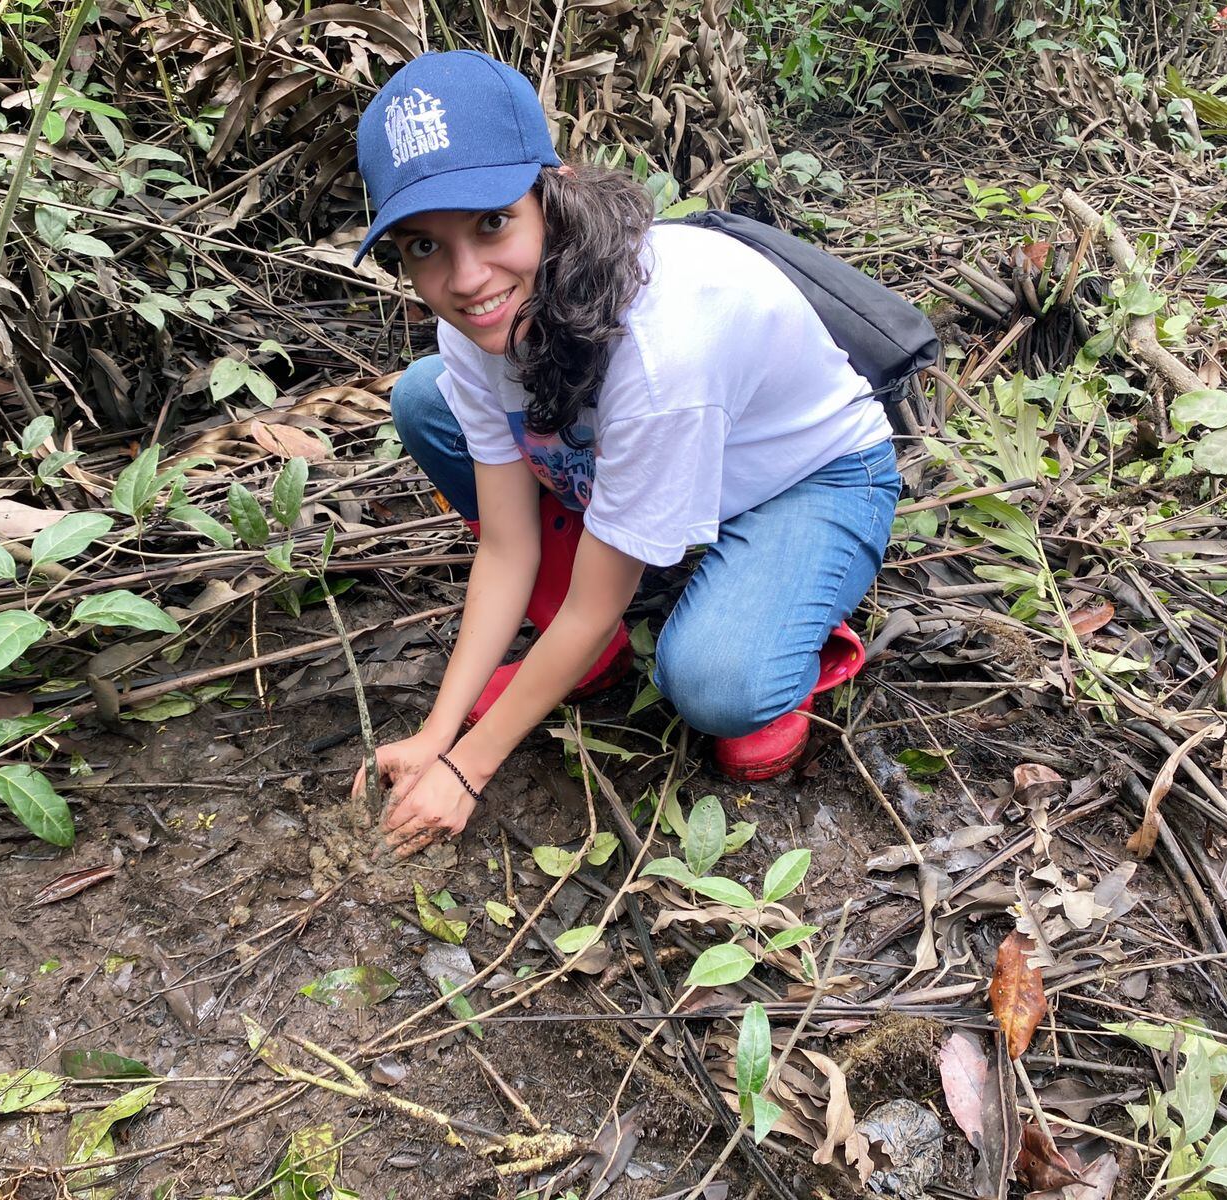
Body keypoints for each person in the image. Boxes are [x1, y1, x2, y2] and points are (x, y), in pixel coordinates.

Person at [349, 51, 901, 858]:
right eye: (423, 246)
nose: (466, 280)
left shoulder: (661, 344)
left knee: (717, 686)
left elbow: (591, 601)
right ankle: (597, 646)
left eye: (492, 222)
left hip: (801, 481)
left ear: (553, 191)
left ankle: (789, 619)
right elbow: (507, 545)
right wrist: (438, 732)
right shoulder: (475, 326)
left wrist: (467, 771)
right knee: (427, 397)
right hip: (652, 458)